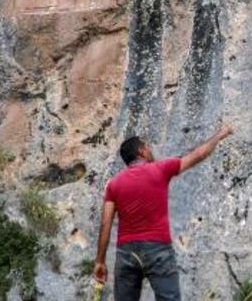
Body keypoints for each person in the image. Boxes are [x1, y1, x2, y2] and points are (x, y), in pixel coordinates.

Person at [93, 125, 235, 300]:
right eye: (147, 146)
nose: (150, 149)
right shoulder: (160, 169)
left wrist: (100, 261)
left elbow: (105, 223)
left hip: (126, 251)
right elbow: (198, 155)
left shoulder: (114, 184)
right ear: (141, 151)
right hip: (157, 248)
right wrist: (219, 136)